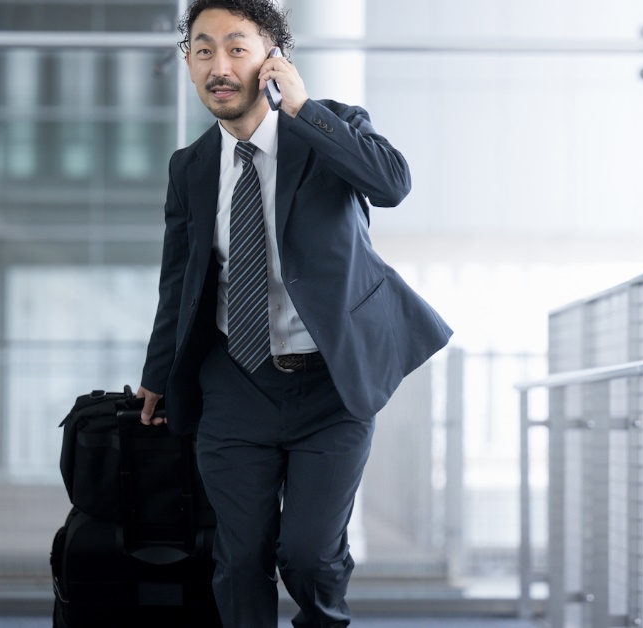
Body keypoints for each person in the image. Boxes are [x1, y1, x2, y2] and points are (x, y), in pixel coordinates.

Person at [134, 1, 452, 625]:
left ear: (273, 59)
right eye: (203, 50)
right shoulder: (190, 168)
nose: (218, 66)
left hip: (331, 384)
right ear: (189, 64)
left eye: (236, 48)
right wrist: (157, 373)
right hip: (234, 386)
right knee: (239, 554)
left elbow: (391, 185)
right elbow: (180, 282)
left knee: (306, 555)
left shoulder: (331, 127)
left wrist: (304, 110)